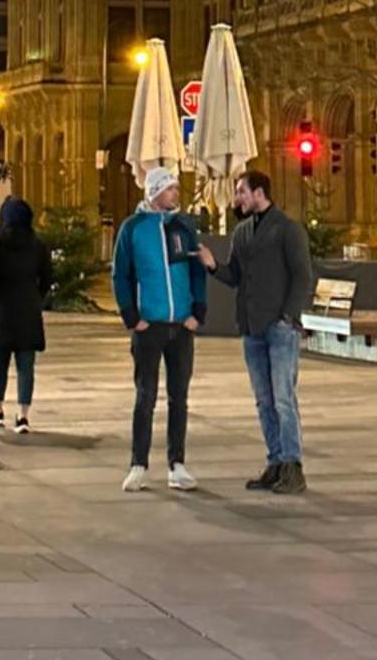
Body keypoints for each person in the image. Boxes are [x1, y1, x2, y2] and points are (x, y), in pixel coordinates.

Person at [204, 166, 313, 495]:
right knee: (263, 400)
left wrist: (288, 316)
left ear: (258, 193)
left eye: (241, 191)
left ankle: (293, 466)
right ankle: (275, 462)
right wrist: (212, 265)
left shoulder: (287, 230)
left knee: (283, 398)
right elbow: (235, 275)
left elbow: (302, 276)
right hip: (251, 327)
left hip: (279, 328)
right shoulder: (242, 232)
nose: (237, 197)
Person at [111, 165, 207, 493]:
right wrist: (131, 316)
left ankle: (176, 464)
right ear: (154, 193)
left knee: (179, 397)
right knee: (145, 395)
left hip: (181, 326)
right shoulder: (132, 229)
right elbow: (120, 274)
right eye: (170, 189)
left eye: (176, 189)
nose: (175, 194)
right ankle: (138, 464)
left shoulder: (183, 227)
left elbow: (196, 270)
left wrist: (198, 312)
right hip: (149, 325)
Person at [0, 196, 52, 434]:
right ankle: (22, 415)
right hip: (27, 312)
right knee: (25, 366)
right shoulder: (37, 245)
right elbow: (47, 278)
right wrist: (36, 298)